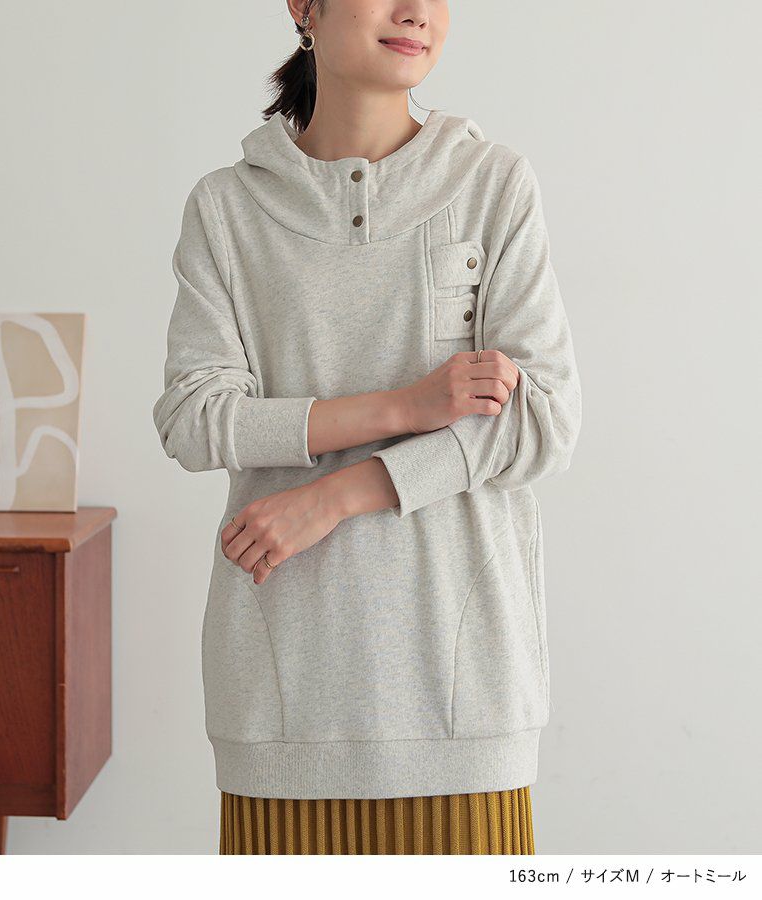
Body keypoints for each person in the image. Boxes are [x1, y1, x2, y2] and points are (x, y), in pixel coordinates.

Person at [152, 0, 582, 855]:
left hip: (466, 706)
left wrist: (340, 494)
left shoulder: (492, 183)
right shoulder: (228, 208)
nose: (417, 12)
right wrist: (402, 408)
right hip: (283, 706)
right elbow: (194, 418)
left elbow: (542, 419)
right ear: (303, 7)